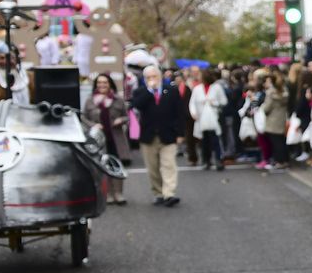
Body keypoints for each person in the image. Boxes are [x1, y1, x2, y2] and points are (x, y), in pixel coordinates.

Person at [129, 64, 183, 207]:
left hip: (168, 134)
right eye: (148, 77)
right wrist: (149, 91)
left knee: (168, 165)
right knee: (153, 168)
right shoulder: (140, 92)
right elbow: (136, 105)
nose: (152, 79)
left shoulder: (171, 91)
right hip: (148, 135)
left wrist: (180, 133)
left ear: (160, 76)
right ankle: (158, 193)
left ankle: (169, 193)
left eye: (154, 76)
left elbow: (179, 113)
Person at [82, 73, 130, 205]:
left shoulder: (118, 99)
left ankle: (119, 194)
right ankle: (107, 194)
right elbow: (83, 117)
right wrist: (93, 125)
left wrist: (121, 120)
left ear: (110, 84)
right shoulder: (90, 99)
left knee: (116, 164)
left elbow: (127, 116)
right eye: (99, 83)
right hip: (98, 139)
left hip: (116, 137)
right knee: (102, 165)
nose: (102, 85)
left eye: (105, 82)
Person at [188, 68, 228, 171]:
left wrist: (214, 103)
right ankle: (206, 160)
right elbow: (192, 102)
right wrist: (193, 113)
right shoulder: (197, 89)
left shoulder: (217, 88)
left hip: (214, 118)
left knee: (215, 140)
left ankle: (218, 160)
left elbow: (224, 101)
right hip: (201, 118)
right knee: (204, 141)